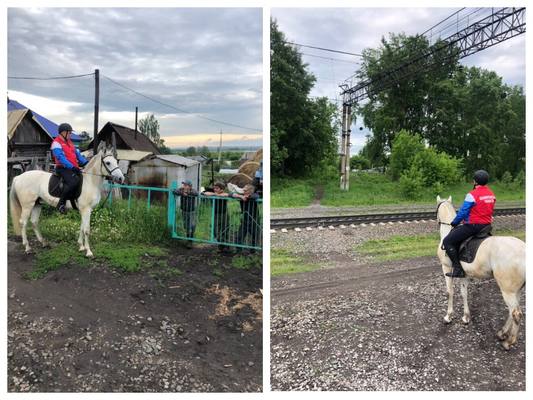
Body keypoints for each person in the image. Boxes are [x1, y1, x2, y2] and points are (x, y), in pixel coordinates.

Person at [442, 170, 496, 278]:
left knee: (447, 241)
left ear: (475, 181)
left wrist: (455, 222)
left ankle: (458, 269)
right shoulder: (491, 194)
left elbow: (463, 211)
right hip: (486, 226)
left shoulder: (472, 195)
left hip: (473, 226)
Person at [51, 123, 88, 214]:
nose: (70, 134)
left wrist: (86, 162)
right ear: (63, 132)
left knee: (82, 179)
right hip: (62, 168)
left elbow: (78, 155)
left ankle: (75, 201)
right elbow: (60, 157)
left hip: (72, 168)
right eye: (69, 132)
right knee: (73, 181)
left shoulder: (70, 143)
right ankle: (61, 204)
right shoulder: (56, 142)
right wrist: (72, 167)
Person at [203, 182, 232, 254]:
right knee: (215, 231)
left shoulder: (224, 194)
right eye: (214, 188)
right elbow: (203, 193)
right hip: (216, 215)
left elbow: (228, 194)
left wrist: (218, 194)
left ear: (222, 189)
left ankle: (225, 247)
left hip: (224, 214)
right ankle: (222, 244)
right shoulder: (214, 193)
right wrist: (215, 194)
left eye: (217, 188)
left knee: (224, 230)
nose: (215, 189)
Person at [232, 184, 261, 251]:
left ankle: (253, 250)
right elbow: (231, 194)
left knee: (254, 236)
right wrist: (241, 196)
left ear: (250, 191)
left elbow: (256, 196)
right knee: (240, 236)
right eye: (243, 189)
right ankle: (238, 250)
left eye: (245, 190)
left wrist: (248, 196)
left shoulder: (254, 195)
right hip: (244, 219)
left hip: (254, 219)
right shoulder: (241, 196)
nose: (243, 190)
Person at [173, 180, 198, 248]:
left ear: (190, 186)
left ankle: (190, 241)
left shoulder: (193, 190)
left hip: (191, 212)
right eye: (184, 185)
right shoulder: (181, 190)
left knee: (192, 226)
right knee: (186, 226)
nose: (184, 186)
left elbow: (196, 193)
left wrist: (188, 193)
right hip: (184, 211)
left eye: (185, 185)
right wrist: (182, 193)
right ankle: (188, 240)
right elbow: (174, 191)